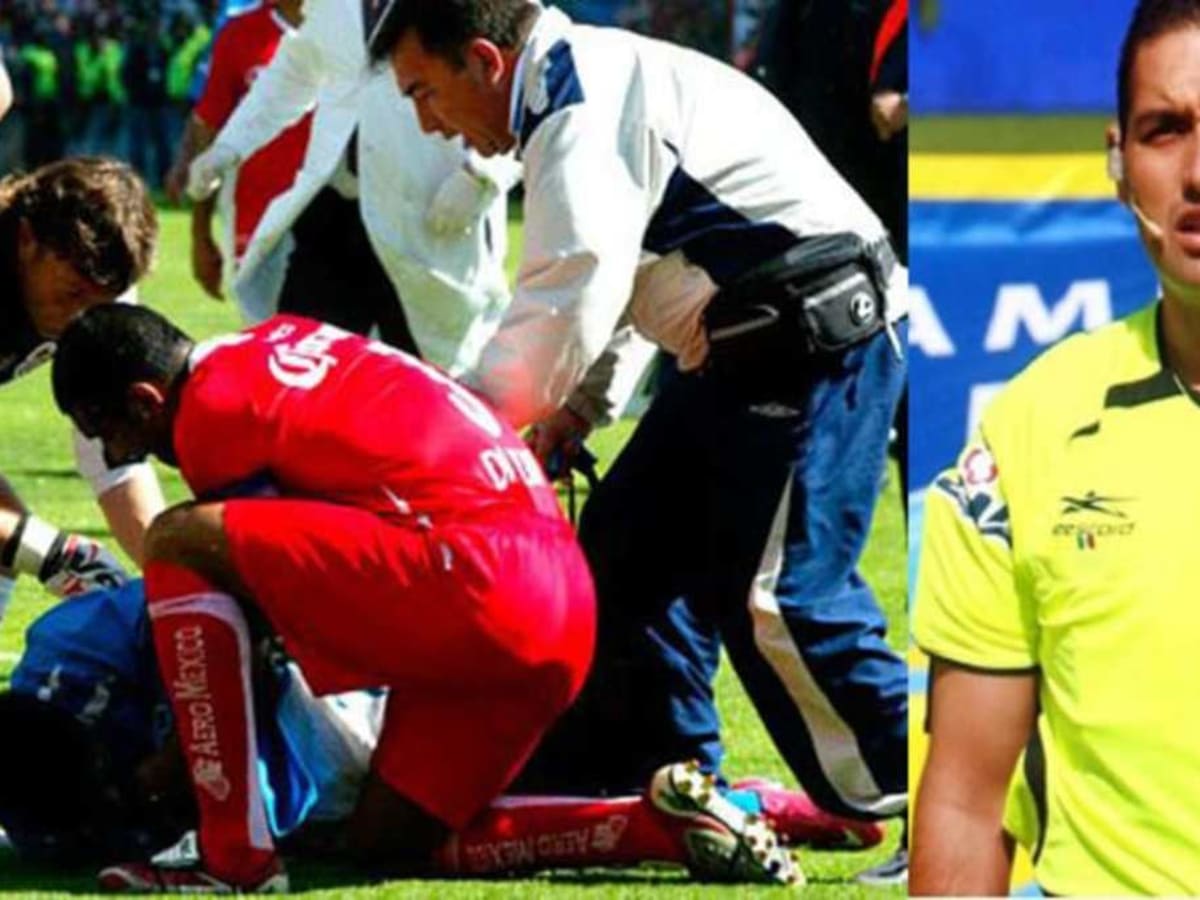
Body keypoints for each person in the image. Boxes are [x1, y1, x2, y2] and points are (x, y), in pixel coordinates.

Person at [370, 0, 909, 882]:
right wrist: (573, 413)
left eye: (425, 93)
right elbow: (618, 276)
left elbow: (571, 289)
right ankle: (681, 792)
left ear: (483, 60)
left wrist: (458, 444)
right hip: (734, 354)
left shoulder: (579, 101)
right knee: (622, 562)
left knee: (784, 598)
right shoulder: (572, 90)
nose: (429, 125)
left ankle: (950, 801)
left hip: (816, 345)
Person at [50, 305, 799, 891]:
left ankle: (230, 858)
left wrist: (181, 766)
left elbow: (246, 617)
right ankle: (674, 821)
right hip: (556, 592)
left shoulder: (211, 412)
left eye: (111, 433)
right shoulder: (278, 341)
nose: (122, 457)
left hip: (471, 576)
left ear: (146, 400)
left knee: (177, 539)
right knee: (388, 843)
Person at [0, 574, 867, 876]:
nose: (132, 796)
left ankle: (662, 826)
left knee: (402, 832)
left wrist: (196, 750)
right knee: (492, 791)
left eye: (120, 779)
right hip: (314, 765)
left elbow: (230, 600)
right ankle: (758, 808)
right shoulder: (43, 823)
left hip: (328, 691)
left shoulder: (84, 642)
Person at [911, 1, 1200, 894]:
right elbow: (963, 802)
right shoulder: (1031, 430)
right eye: (1167, 131)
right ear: (1120, 165)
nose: (1198, 171)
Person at [183, 0, 521, 372]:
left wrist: (482, 175)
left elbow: (519, 78)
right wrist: (231, 145)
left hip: (430, 214)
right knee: (300, 365)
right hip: (334, 212)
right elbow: (298, 69)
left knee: (430, 380)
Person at [0, 157, 163, 624]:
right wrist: (47, 550)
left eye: (100, 302)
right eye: (72, 293)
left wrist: (178, 585)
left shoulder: (104, 288)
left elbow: (115, 463)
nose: (81, 320)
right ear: (27, 239)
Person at [164, 0, 311, 322]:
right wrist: (200, 233)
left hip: (337, 212)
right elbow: (208, 121)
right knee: (265, 335)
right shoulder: (239, 31)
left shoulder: (352, 26)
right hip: (255, 213)